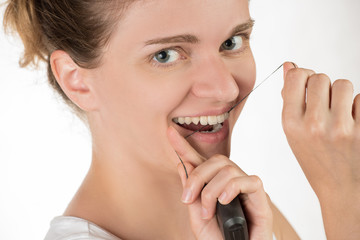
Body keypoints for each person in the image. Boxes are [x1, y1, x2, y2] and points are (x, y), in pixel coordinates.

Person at [3, 0, 359, 239]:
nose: (225, 89)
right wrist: (345, 195)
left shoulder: (237, 207)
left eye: (231, 42)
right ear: (76, 80)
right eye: (165, 54)